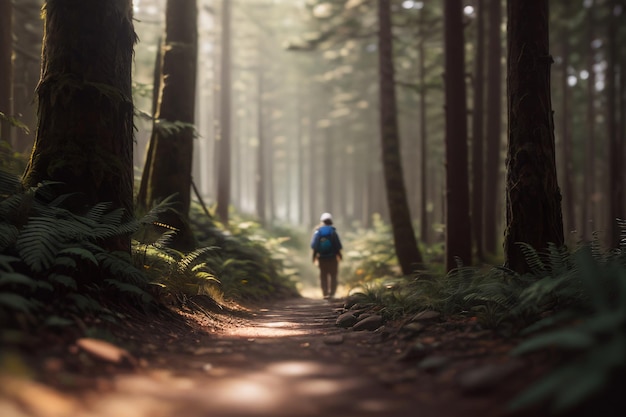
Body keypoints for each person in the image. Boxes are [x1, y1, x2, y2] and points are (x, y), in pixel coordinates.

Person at [310, 212, 343, 299]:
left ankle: (325, 293)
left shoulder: (318, 231)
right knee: (333, 275)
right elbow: (337, 245)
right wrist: (339, 255)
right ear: (331, 221)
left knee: (323, 275)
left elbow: (314, 246)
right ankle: (332, 293)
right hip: (332, 257)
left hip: (321, 257)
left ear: (322, 221)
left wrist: (314, 257)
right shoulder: (333, 231)